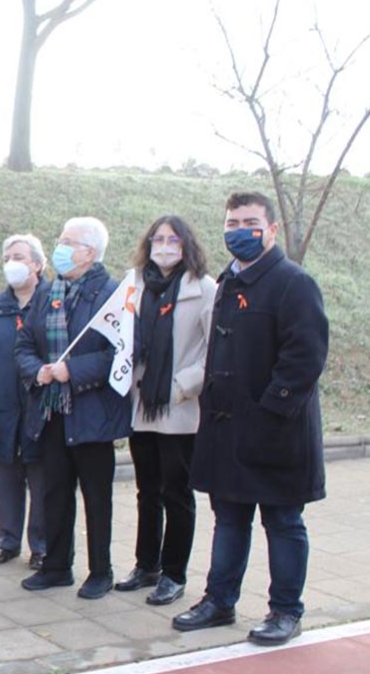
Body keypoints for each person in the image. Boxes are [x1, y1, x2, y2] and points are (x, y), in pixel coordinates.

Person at [172, 192, 328, 646]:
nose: (240, 229)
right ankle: (219, 601)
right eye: (233, 221)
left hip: (276, 432)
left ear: (272, 229)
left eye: (251, 221)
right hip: (226, 432)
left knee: (282, 522)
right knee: (229, 519)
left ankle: (285, 611)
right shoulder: (228, 282)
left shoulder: (293, 283)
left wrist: (269, 412)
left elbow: (305, 358)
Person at [16, 216, 130, 600]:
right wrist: (40, 371)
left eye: (68, 242)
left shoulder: (112, 295)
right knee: (55, 492)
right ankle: (56, 566)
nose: (60, 248)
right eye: (60, 239)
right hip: (51, 411)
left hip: (92, 413)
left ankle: (100, 571)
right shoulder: (50, 291)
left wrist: (72, 371)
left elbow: (120, 353)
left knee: (96, 497)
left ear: (89, 252)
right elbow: (24, 345)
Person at [115, 216, 215, 606]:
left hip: (178, 406)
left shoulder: (204, 288)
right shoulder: (134, 283)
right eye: (158, 238)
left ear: (186, 244)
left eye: (173, 239)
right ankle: (146, 565)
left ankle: (174, 573)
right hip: (141, 404)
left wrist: (183, 385)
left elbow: (214, 350)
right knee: (146, 492)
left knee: (177, 494)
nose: (165, 245)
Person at [0, 234, 49, 571]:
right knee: (6, 480)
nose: (11, 263)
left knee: (42, 482)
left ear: (37, 263)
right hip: (2, 409)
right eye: (7, 257)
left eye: (19, 256)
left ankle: (42, 545)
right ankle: (7, 541)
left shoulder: (53, 302)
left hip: (40, 408)